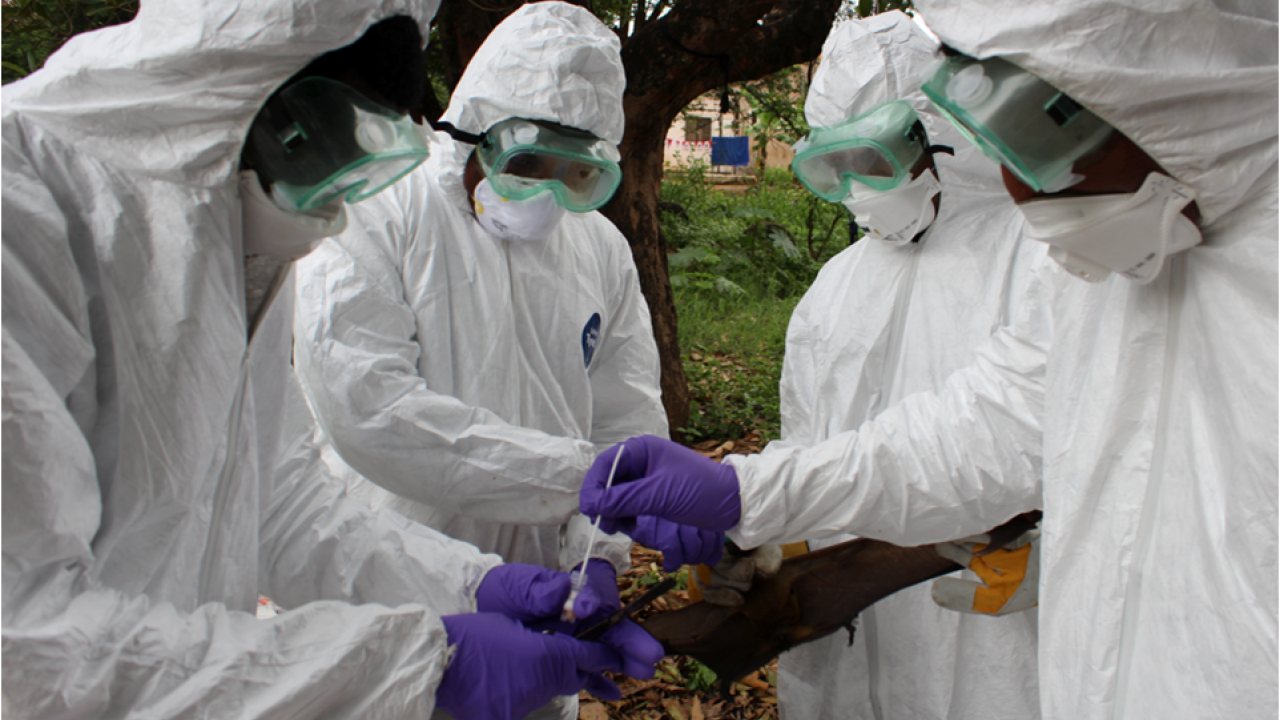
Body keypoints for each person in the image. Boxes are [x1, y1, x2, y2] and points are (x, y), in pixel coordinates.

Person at [580, 1, 1279, 718]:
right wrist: (753, 502)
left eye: (1047, 127)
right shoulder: (1108, 252)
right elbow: (989, 432)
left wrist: (1048, 549)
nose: (1022, 188)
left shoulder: (1062, 251)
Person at [1, 2, 659, 718]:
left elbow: (282, 505)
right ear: (234, 82)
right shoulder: (27, 208)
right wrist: (410, 665)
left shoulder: (227, 222)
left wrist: (474, 586)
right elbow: (29, 645)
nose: (334, 218)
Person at [753, 12, 1041, 720]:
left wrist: (1050, 555)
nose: (856, 186)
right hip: (849, 621)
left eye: (872, 159)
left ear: (941, 133)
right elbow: (809, 438)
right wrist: (769, 529)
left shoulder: (1034, 254)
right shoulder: (834, 288)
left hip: (984, 625)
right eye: (834, 166)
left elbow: (1082, 442)